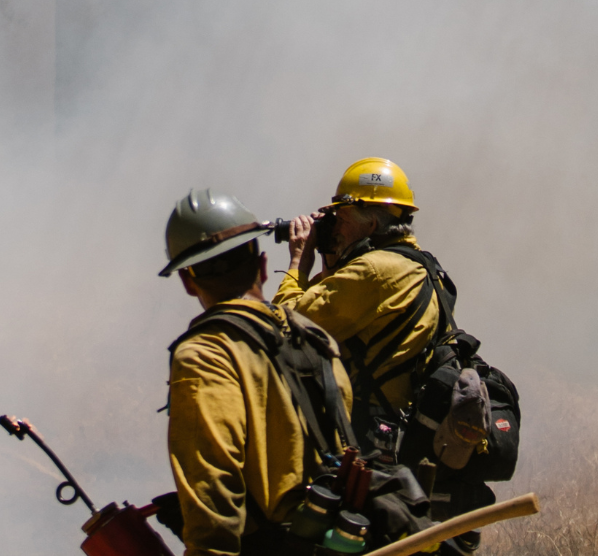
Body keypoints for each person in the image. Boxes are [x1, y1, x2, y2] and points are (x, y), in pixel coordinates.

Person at [273, 157, 490, 549]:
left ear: (371, 223)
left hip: (361, 446)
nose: (333, 224)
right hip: (394, 446)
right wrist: (333, 256)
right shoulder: (420, 268)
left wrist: (297, 264)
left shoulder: (373, 272)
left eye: (340, 216)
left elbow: (286, 330)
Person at [157, 190, 355, 556]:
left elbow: (212, 484)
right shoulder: (316, 338)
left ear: (187, 280)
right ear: (263, 267)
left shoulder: (205, 354)